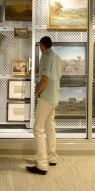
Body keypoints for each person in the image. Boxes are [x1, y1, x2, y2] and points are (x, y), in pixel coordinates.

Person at [27, 36, 62, 175]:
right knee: (50, 126)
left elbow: (45, 78)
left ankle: (42, 164)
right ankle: (52, 157)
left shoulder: (45, 57)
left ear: (41, 45)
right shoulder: (57, 57)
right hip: (54, 97)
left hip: (46, 97)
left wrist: (37, 92)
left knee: (38, 129)